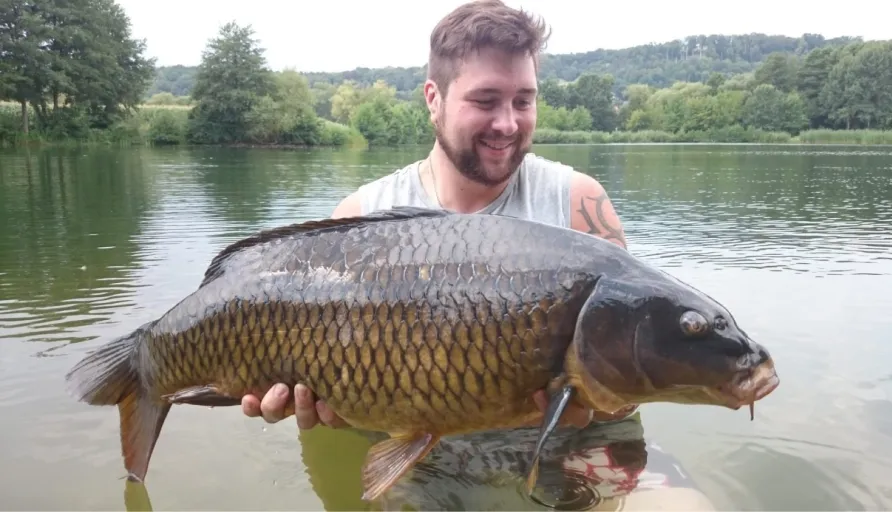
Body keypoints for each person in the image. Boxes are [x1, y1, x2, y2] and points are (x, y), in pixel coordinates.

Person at [242, 0, 715, 509]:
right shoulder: (360, 215)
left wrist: (598, 407)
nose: (508, 124)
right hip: (422, 458)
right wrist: (296, 396)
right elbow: (304, 378)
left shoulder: (577, 203)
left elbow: (624, 385)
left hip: (569, 444)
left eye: (523, 101)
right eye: (486, 100)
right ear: (434, 98)